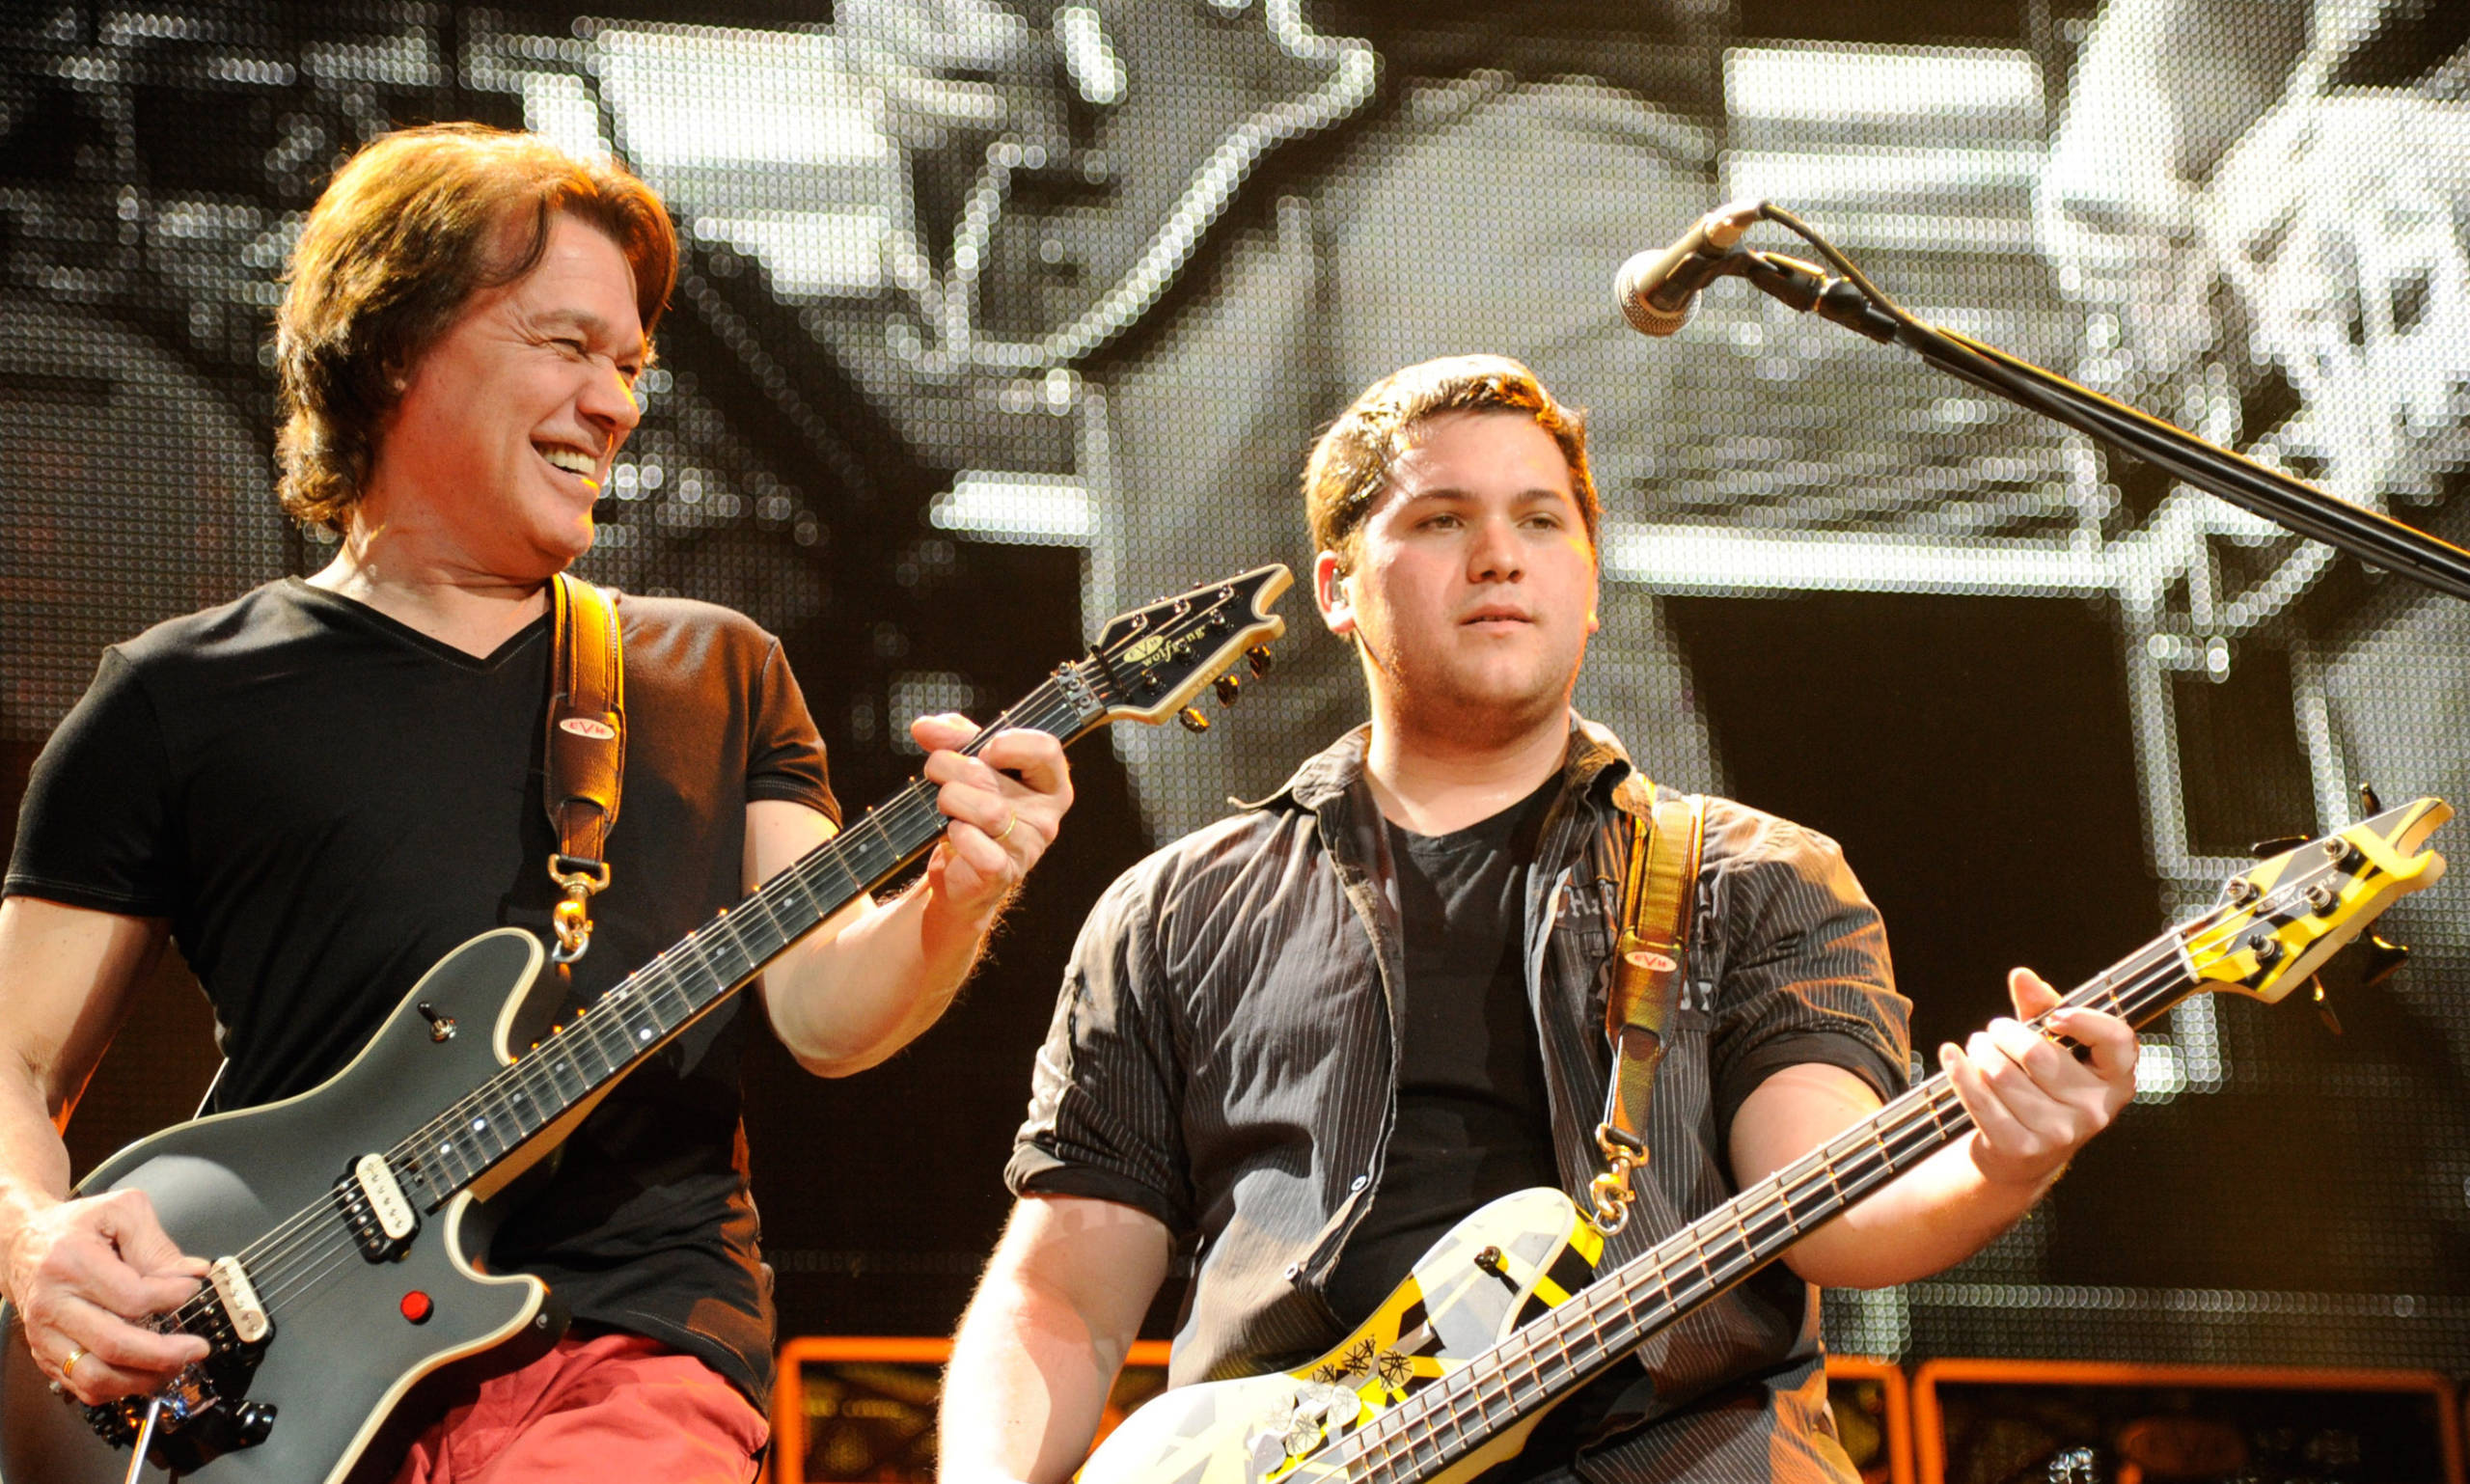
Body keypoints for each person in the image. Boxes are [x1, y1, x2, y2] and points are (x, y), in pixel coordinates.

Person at [0, 123, 1073, 1483]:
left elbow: (824, 1010)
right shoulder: (178, 694)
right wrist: (32, 1235)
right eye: (567, 346)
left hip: (621, 1346)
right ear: (394, 344)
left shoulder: (712, 667)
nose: (615, 403)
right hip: (270, 1374)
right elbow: (14, 1057)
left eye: (630, 366)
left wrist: (958, 894)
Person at [936, 355, 2137, 1481]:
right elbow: (1062, 1295)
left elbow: (1833, 1204)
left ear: (1590, 585)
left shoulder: (1756, 875)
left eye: (1541, 520)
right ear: (1338, 588)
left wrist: (2004, 1157)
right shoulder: (1175, 911)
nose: (1499, 556)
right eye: (1440, 519)